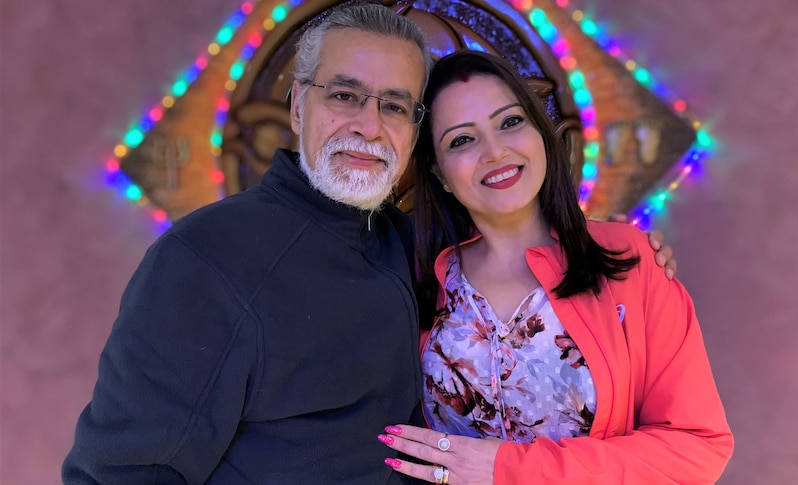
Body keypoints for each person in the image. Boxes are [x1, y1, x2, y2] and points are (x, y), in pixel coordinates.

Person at [63, 5, 676, 484]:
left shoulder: (416, 249)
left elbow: (513, 235)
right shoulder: (206, 259)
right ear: (299, 105)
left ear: (415, 135)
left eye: (394, 106)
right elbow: (120, 474)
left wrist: (619, 250)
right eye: (345, 95)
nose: (368, 124)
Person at [378, 50, 733, 484]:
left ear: (540, 132)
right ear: (440, 173)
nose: (495, 151)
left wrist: (508, 470)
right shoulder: (414, 281)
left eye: (510, 122)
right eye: (462, 140)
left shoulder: (630, 262)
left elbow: (697, 447)